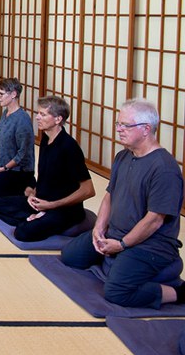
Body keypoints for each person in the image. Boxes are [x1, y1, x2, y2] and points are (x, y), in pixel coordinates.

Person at [61, 99, 185, 309]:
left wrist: (123, 244)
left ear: (146, 129)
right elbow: (110, 195)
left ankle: (177, 292)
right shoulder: (123, 156)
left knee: (116, 292)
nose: (118, 130)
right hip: (115, 233)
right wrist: (98, 229)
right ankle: (116, 263)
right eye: (118, 124)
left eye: (125, 125)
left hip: (151, 245)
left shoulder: (164, 169)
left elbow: (154, 220)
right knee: (70, 256)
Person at [0, 96, 96, 242]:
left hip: (62, 208)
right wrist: (33, 193)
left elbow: (88, 190)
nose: (37, 117)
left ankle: (34, 221)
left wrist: (51, 206)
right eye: (38, 113)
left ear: (58, 119)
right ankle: (32, 218)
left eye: (43, 114)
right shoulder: (45, 138)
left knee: (22, 234)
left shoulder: (69, 147)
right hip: (41, 202)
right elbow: (45, 174)